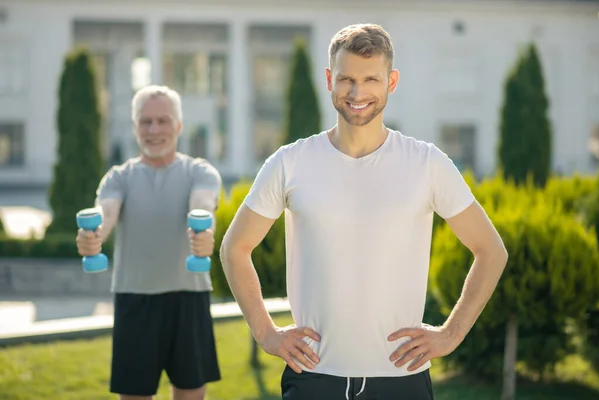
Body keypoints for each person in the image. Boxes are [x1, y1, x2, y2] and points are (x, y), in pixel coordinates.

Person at [219, 23, 508, 400]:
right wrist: (266, 332)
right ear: (329, 80)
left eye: (371, 79)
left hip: (402, 377)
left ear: (391, 81)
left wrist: (451, 334)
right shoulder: (290, 163)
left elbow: (491, 251)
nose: (357, 93)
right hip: (313, 376)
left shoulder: (426, 164)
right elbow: (234, 248)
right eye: (346, 79)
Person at [76, 85, 222, 400]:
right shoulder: (118, 177)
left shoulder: (200, 172)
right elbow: (107, 211)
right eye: (145, 121)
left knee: (190, 394)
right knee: (134, 396)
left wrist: (202, 228)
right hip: (135, 299)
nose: (154, 129)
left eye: (163, 120)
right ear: (135, 127)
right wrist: (93, 235)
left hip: (188, 297)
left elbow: (202, 203)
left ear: (179, 126)